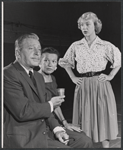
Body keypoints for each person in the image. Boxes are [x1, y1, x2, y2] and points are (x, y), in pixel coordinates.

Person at [4, 33, 93, 148]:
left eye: (39, 49)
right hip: (26, 136)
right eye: (31, 49)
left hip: (44, 129)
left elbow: (46, 110)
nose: (37, 53)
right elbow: (23, 111)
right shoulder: (7, 74)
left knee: (84, 141)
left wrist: (57, 129)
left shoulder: (38, 76)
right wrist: (51, 105)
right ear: (17, 53)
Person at [59, 12, 121, 148]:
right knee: (84, 116)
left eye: (87, 24)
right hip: (83, 84)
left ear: (96, 25)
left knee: (103, 115)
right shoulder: (76, 45)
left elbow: (118, 61)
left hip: (100, 84)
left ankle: (106, 146)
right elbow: (65, 63)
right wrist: (73, 77)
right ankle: (86, 144)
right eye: (81, 25)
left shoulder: (105, 45)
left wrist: (110, 76)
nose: (84, 27)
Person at [38, 46, 82, 132]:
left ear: (56, 65)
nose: (50, 64)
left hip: (54, 120)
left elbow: (55, 106)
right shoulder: (34, 78)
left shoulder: (53, 78)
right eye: (46, 60)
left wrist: (65, 123)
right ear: (39, 62)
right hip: (41, 122)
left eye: (53, 61)